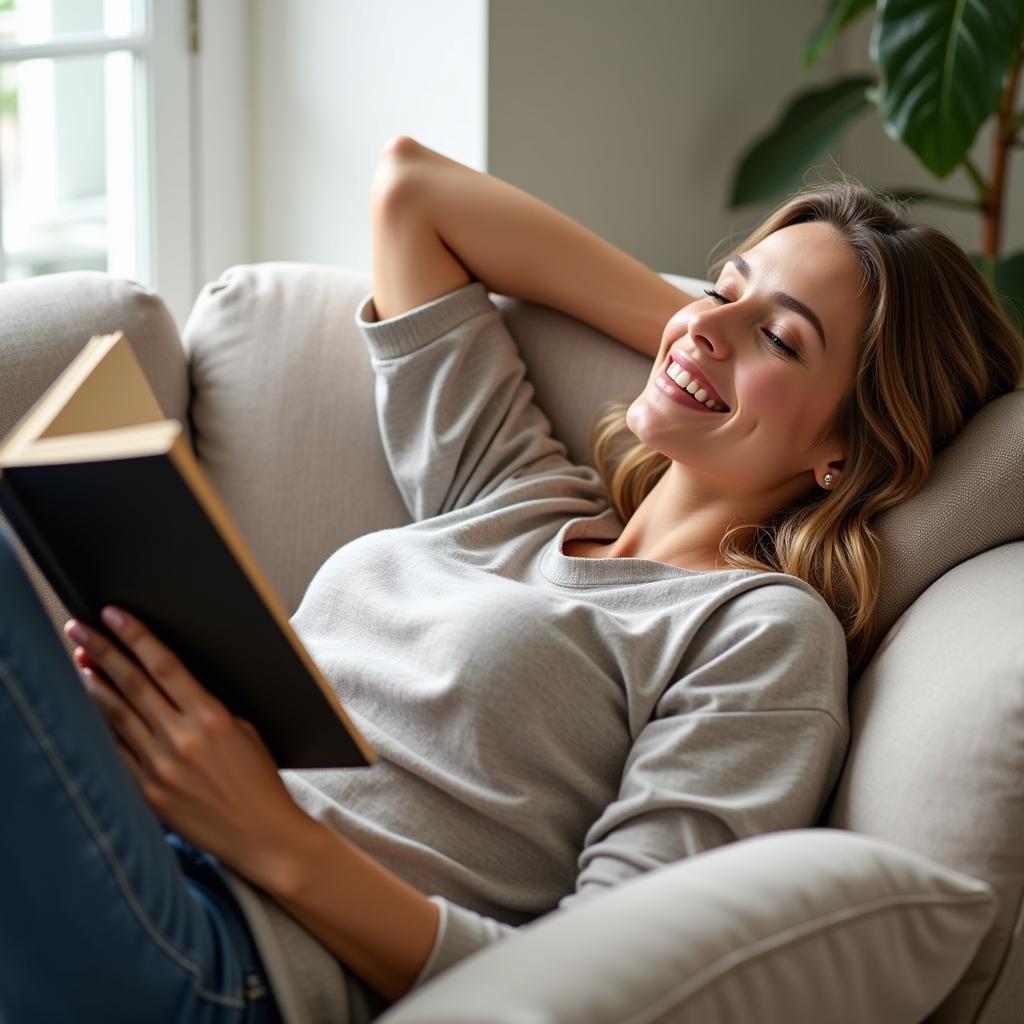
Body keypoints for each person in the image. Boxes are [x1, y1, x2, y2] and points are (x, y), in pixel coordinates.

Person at [1, 135, 1020, 1024]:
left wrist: (270, 838)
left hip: (231, 953)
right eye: (726, 282)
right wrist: (705, 337)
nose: (710, 323)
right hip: (134, 836)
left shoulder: (757, 633)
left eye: (781, 338)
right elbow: (414, 193)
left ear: (848, 449)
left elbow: (602, 978)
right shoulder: (518, 490)